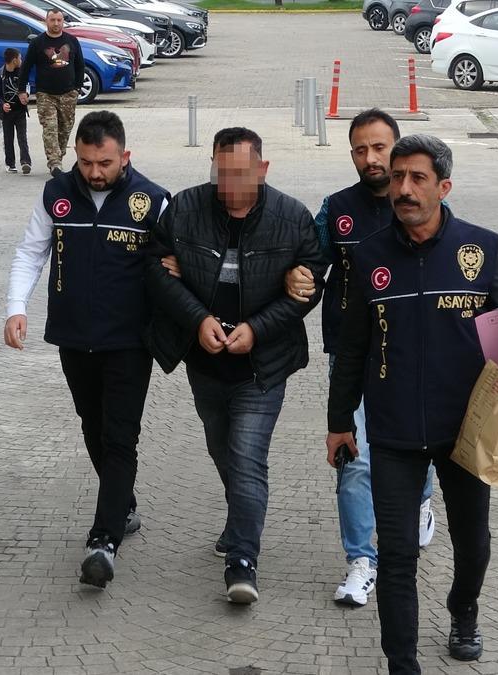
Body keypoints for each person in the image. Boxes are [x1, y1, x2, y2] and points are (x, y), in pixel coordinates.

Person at [326, 134, 498, 673]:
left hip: (465, 432)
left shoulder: (482, 248)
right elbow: (352, 348)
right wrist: (340, 422)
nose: (403, 189)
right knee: (396, 556)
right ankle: (402, 663)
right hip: (393, 431)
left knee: (473, 543)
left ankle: (463, 609)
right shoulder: (368, 256)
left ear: (444, 187)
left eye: (417, 178)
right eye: (397, 178)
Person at [144, 127, 327, 605]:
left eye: (241, 174)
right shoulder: (184, 209)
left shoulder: (291, 218)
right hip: (205, 364)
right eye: (220, 173)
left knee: (247, 457)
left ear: (263, 169)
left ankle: (243, 560)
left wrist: (258, 329)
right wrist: (197, 318)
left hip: (263, 367)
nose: (229, 186)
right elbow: (155, 271)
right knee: (221, 448)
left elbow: (309, 290)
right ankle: (239, 518)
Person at [4, 111, 169, 588]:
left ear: (125, 156)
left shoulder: (153, 201)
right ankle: (124, 505)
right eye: (86, 162)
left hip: (129, 342)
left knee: (120, 437)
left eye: (105, 163)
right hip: (73, 338)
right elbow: (30, 252)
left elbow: (174, 265)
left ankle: (104, 541)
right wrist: (16, 307)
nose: (94, 173)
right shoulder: (56, 194)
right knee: (92, 426)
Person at [284, 109, 436, 609]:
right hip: (351, 357)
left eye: (379, 148)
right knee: (356, 458)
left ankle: (422, 500)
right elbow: (310, 264)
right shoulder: (337, 209)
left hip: (413, 353)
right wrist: (297, 279)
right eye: (360, 149)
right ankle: (361, 561)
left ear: (398, 148)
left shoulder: (418, 203)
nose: (370, 158)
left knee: (422, 443)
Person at [17, 8, 84, 177]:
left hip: (68, 93)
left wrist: (77, 88)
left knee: (65, 128)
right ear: (46, 21)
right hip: (45, 94)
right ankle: (54, 163)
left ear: (63, 22)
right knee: (50, 128)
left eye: (59, 20)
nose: (56, 23)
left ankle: (58, 156)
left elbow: (80, 65)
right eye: (52, 20)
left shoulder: (72, 41)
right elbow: (26, 68)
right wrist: (21, 90)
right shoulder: (37, 43)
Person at [0, 48, 32, 175]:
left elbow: (27, 85)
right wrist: (2, 104)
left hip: (20, 111)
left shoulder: (21, 72)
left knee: (22, 137)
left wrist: (26, 95)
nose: (21, 60)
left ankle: (25, 162)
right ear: (14, 60)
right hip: (7, 114)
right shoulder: (0, 74)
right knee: (8, 138)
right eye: (20, 58)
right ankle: (10, 164)